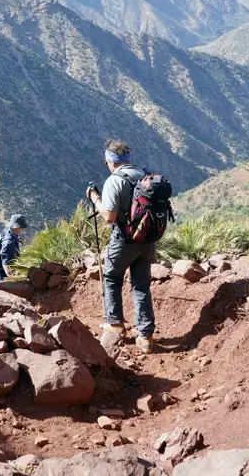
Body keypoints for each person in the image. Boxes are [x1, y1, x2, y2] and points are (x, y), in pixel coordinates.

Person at [86, 140, 156, 354]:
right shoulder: (145, 175)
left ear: (111, 161)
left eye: (107, 161)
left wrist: (95, 199)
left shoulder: (114, 181)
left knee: (112, 277)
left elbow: (109, 216)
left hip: (124, 241)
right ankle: (146, 337)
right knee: (141, 286)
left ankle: (115, 324)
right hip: (147, 241)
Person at [0, 214, 27, 281]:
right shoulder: (9, 242)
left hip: (9, 269)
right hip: (4, 274)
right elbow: (5, 262)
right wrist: (13, 277)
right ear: (17, 227)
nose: (23, 229)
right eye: (22, 227)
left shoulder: (10, 233)